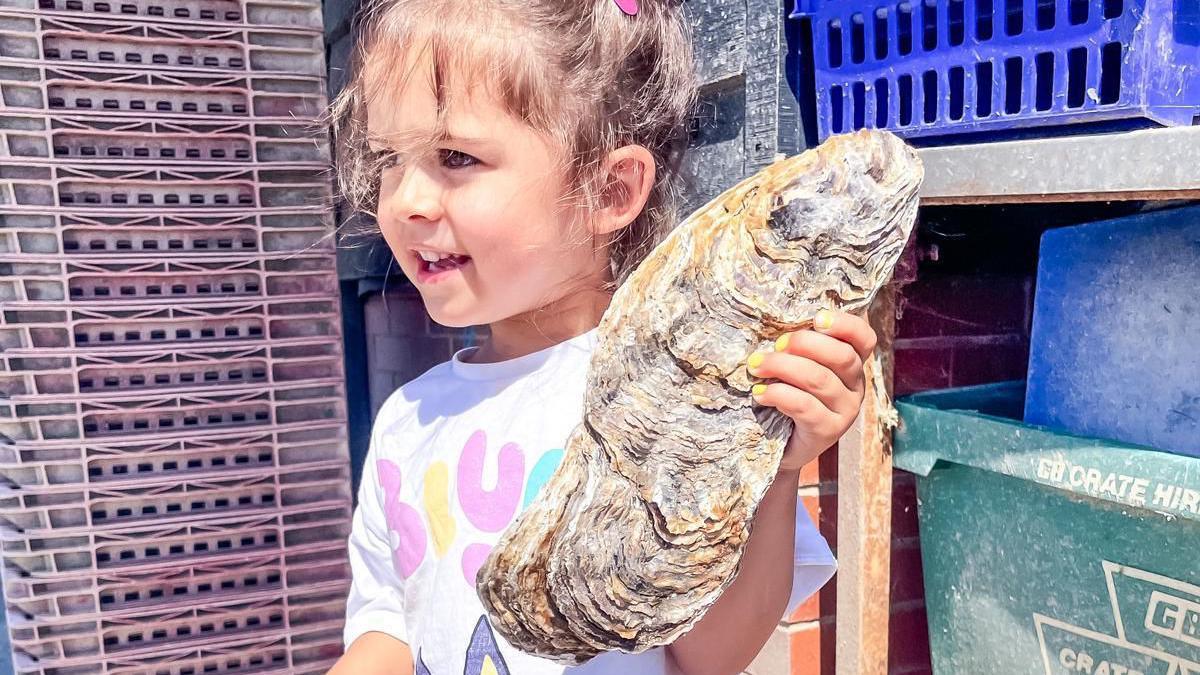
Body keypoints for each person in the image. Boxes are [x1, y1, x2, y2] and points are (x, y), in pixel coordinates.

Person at [327, 1, 877, 673]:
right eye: (389, 159)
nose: (406, 199)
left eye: (455, 156)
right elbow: (386, 628)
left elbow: (710, 653)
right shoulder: (405, 421)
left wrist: (781, 467)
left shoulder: (681, 394)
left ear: (609, 191)